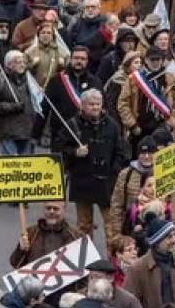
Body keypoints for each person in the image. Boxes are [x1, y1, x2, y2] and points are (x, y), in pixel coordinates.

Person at [55, 89, 128, 241]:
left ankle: (113, 261)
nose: (95, 107)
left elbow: (120, 152)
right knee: (84, 225)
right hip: (82, 180)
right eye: (91, 104)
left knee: (111, 225)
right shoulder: (72, 125)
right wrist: (75, 152)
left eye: (98, 104)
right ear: (82, 106)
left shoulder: (112, 125)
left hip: (106, 181)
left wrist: (114, 171)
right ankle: (87, 260)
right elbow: (59, 149)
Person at [123, 216, 175, 308]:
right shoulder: (137, 269)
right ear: (157, 241)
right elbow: (131, 303)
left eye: (174, 236)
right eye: (169, 237)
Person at [0, 49, 35, 157]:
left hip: (27, 130)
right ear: (9, 64)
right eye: (18, 62)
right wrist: (12, 107)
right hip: (7, 131)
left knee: (27, 165)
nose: (22, 65)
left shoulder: (30, 80)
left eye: (23, 62)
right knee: (11, 165)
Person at [10, 201, 81, 268]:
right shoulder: (31, 233)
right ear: (43, 209)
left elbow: (86, 268)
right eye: (48, 208)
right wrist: (20, 249)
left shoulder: (76, 236)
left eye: (56, 209)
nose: (51, 211)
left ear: (63, 211)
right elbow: (16, 264)